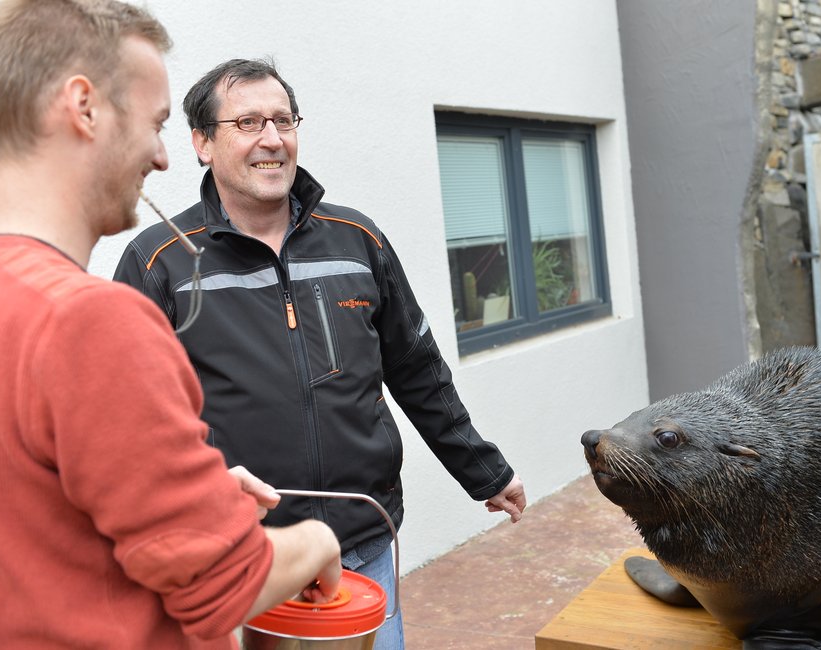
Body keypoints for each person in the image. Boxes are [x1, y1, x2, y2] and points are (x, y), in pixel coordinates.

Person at [115, 57, 528, 648]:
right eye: (248, 122)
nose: (272, 139)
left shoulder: (356, 240)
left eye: (284, 120)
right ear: (203, 143)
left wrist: (482, 470)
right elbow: (128, 418)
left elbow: (416, 369)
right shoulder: (161, 261)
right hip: (242, 558)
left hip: (363, 544)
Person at [0, 2, 342, 648]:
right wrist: (318, 538)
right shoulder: (88, 319)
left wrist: (186, 491)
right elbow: (223, 584)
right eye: (155, 124)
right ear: (84, 107)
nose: (159, 158)